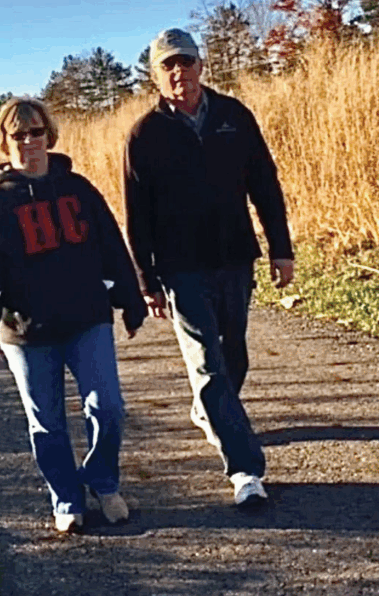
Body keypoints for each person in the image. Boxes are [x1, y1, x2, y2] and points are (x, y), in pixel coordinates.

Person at [122, 28, 295, 508]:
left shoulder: (233, 117)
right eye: (167, 66)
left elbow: (265, 183)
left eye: (186, 62)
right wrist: (146, 281)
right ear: (156, 76)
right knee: (207, 362)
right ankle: (244, 470)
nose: (179, 73)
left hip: (235, 257)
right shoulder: (145, 134)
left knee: (234, 353)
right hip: (181, 268)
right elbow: (137, 215)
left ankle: (210, 412)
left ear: (200, 65)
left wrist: (281, 247)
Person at [0, 96, 147, 534]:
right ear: (4, 143)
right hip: (27, 333)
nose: (28, 141)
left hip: (88, 318)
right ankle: (66, 497)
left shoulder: (78, 189)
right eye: (18, 134)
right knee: (46, 424)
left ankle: (103, 483)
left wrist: (131, 298)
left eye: (36, 132)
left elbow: (110, 245)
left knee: (108, 408)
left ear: (49, 135)